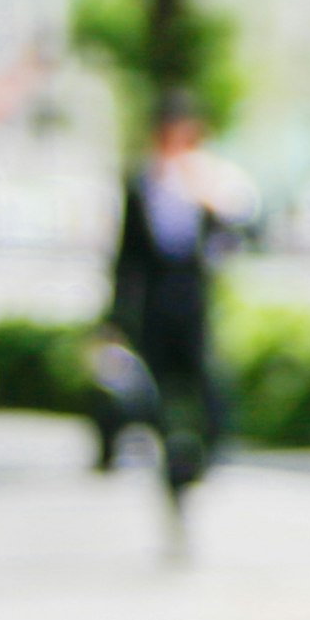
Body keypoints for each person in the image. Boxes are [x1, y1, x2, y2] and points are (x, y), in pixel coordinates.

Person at [108, 97, 234, 502]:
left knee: (203, 374)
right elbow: (127, 254)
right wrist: (116, 312)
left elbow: (229, 238)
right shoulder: (142, 182)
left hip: (193, 296)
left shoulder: (206, 179)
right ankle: (161, 447)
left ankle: (207, 450)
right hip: (155, 298)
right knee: (155, 379)